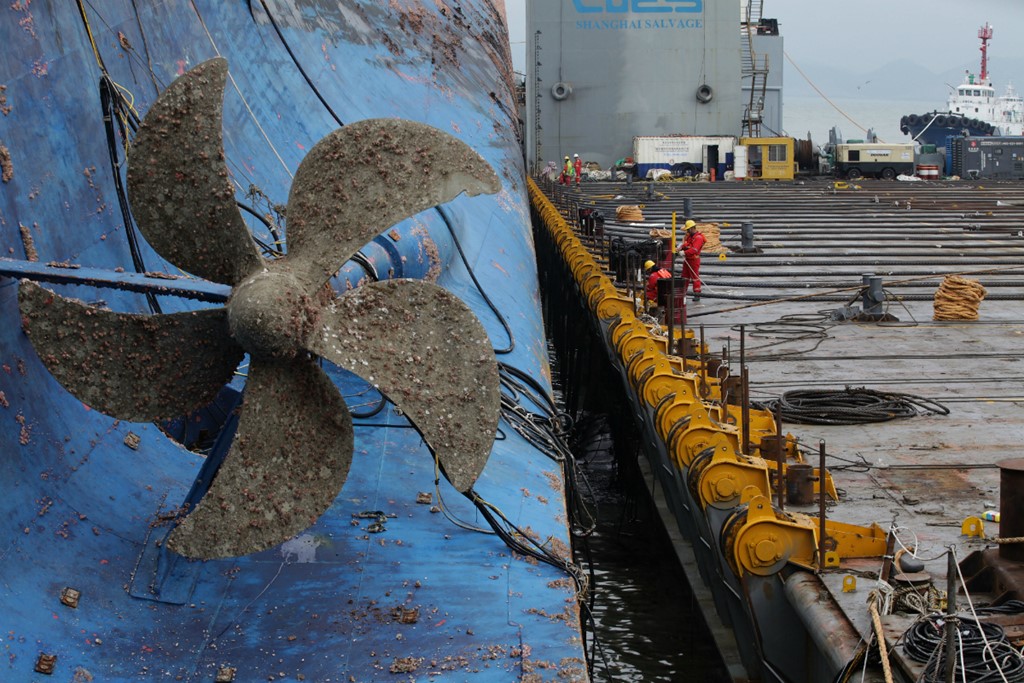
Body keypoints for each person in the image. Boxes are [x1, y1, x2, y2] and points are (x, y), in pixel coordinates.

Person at [678, 220, 705, 301]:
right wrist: (681, 247)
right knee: (684, 277)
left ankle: (697, 294)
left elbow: (694, 250)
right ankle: (682, 293)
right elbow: (687, 244)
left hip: (694, 260)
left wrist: (684, 252)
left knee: (695, 277)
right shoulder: (690, 236)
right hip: (688, 259)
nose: (687, 231)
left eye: (688, 229)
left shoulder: (698, 238)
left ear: (692, 228)